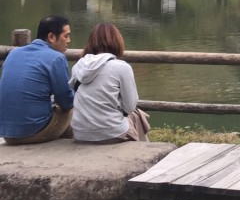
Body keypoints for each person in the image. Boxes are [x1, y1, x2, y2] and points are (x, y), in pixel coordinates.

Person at [0, 15, 74, 144]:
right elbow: (66, 101)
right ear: (51, 37)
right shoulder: (56, 58)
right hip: (33, 132)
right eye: (66, 36)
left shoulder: (14, 53)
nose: (69, 40)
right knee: (73, 110)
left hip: (7, 133)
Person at [70, 23, 149, 143]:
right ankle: (144, 150)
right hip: (111, 133)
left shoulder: (79, 66)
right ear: (117, 41)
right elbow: (130, 106)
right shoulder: (121, 67)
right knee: (137, 115)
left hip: (80, 133)